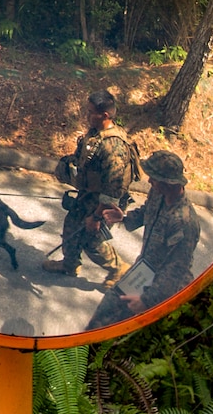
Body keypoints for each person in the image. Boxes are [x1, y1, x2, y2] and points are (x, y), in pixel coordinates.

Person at [85, 150, 200, 330]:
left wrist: (147, 301)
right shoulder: (158, 193)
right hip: (143, 271)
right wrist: (124, 218)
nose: (149, 181)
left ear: (168, 183)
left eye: (153, 178)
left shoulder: (184, 223)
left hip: (163, 287)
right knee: (107, 309)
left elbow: (176, 271)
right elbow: (147, 212)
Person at [44, 89, 139, 288]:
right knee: (71, 225)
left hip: (103, 204)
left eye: (90, 112)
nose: (86, 116)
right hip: (88, 196)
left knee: (92, 241)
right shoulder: (96, 134)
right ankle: (69, 264)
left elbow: (112, 191)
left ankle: (118, 269)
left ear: (104, 115)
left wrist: (96, 217)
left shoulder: (114, 147)